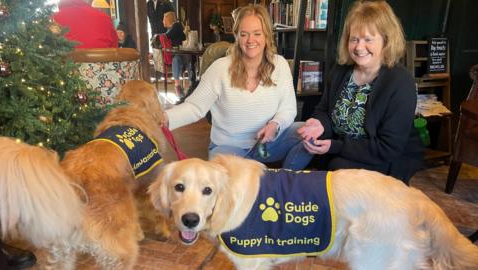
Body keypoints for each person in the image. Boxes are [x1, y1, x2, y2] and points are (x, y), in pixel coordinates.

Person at [162, 5, 310, 170]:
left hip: (268, 143)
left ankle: (285, 183)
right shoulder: (220, 68)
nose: (250, 40)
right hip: (228, 148)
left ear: (267, 35)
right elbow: (195, 107)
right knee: (232, 186)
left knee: (310, 134)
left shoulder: (280, 65)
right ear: (237, 36)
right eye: (244, 34)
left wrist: (275, 124)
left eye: (257, 33)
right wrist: (163, 118)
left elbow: (289, 109)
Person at [296, 0, 423, 183]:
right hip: (341, 151)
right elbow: (323, 110)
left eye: (368, 39)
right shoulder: (340, 71)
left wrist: (336, 146)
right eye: (354, 39)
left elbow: (388, 148)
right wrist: (319, 124)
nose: (358, 47)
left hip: (384, 159)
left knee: (335, 168)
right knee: (305, 149)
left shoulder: (400, 83)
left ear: (386, 41)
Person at [53, 0, 118, 49]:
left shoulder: (56, 18)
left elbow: (50, 47)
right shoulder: (104, 17)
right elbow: (114, 46)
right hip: (103, 63)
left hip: (68, 64)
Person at [162, 11, 191, 97]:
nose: (163, 21)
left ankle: (191, 84)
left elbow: (167, 36)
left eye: (164, 19)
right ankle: (177, 86)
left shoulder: (177, 25)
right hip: (178, 55)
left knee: (189, 62)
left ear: (168, 19)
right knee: (176, 60)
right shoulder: (171, 28)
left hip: (184, 53)